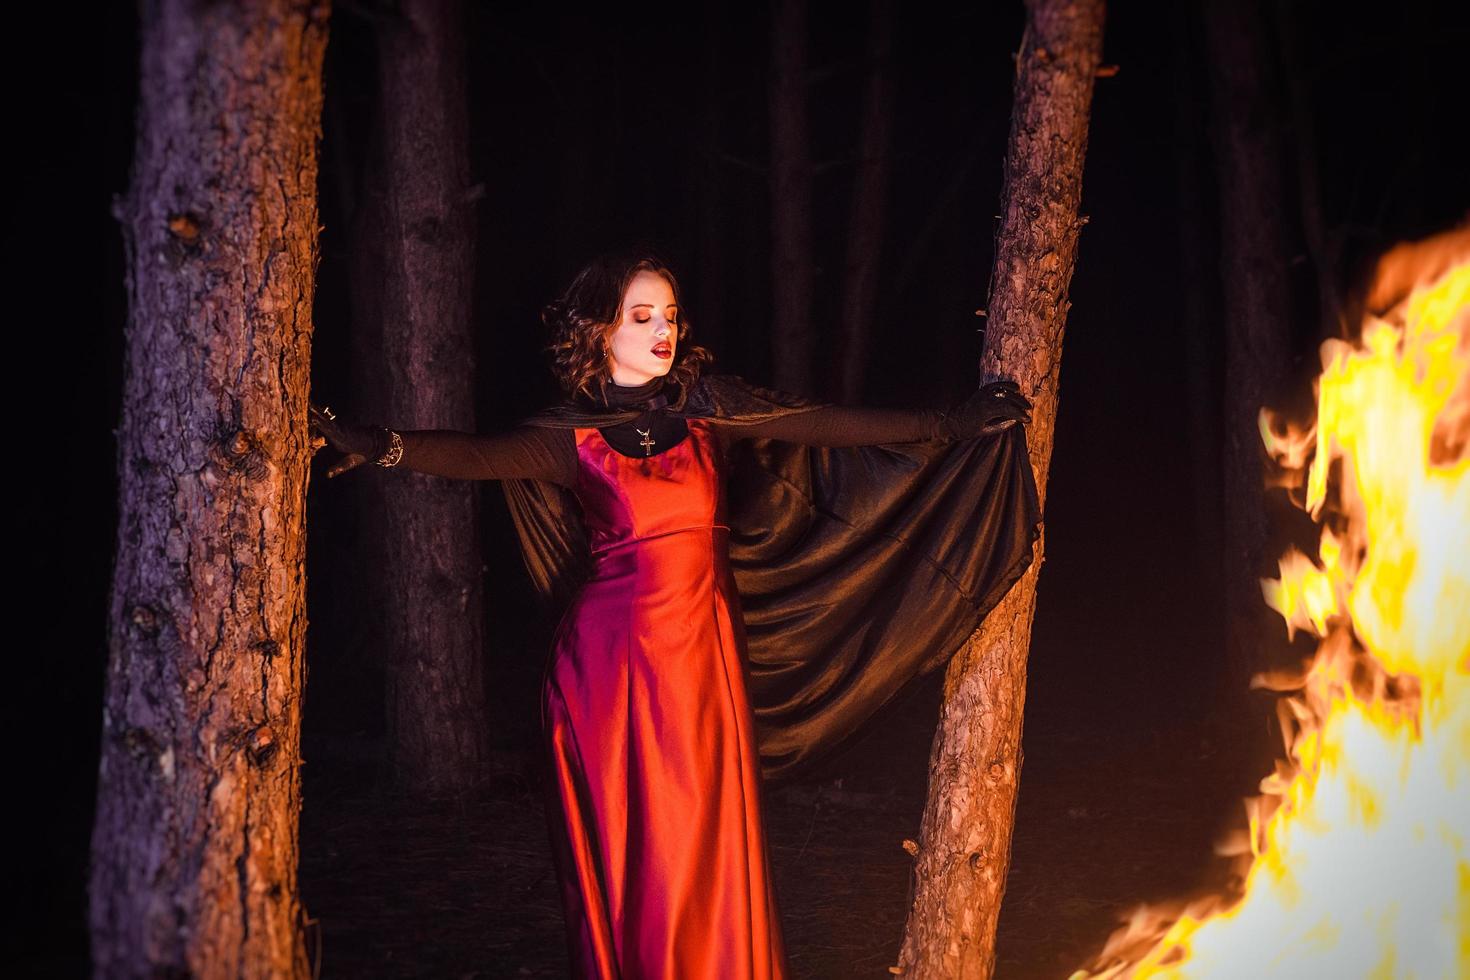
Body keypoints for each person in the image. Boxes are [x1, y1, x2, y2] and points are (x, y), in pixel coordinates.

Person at [309, 251, 1039, 979]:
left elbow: (817, 422)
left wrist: (947, 424)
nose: (664, 329)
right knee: (641, 864)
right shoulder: (569, 439)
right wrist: (378, 445)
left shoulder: (706, 407)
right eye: (642, 315)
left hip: (700, 667)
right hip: (606, 678)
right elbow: (473, 455)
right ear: (599, 331)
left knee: (706, 847)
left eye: (670, 314)